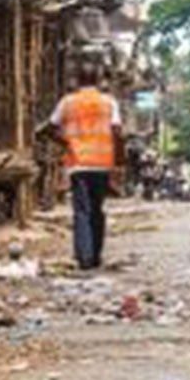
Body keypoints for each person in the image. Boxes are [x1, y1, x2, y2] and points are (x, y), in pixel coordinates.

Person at [39, 61, 123, 270]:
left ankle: (84, 257)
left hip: (79, 163)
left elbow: (49, 128)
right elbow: (118, 133)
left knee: (82, 211)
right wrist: (119, 164)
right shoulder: (109, 102)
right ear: (98, 80)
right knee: (97, 209)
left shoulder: (67, 102)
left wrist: (65, 142)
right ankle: (95, 255)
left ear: (76, 80)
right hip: (103, 163)